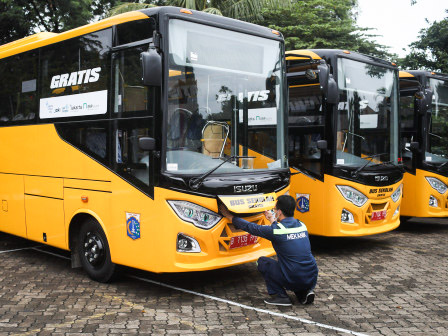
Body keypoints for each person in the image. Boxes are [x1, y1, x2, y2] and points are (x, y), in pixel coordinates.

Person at [219, 195, 318, 306]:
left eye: (275, 209)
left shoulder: (276, 231)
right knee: (294, 265)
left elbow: (250, 227)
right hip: (311, 275)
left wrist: (230, 216)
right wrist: (272, 219)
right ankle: (304, 292)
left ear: (279, 212)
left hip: (293, 276)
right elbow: (282, 230)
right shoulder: (302, 225)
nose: (274, 211)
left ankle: (281, 296)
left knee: (263, 262)